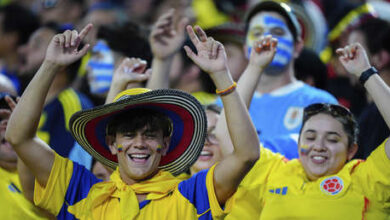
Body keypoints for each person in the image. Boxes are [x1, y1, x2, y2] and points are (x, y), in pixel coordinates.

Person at [6, 23, 260, 220]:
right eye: (128, 134)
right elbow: (19, 137)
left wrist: (221, 76)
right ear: (111, 143)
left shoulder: (193, 194)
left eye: (150, 135)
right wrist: (50, 65)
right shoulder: (81, 191)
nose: (139, 143)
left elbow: (247, 155)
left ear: (166, 143)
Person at [224, 42, 390, 219]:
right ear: (298, 143)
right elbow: (227, 139)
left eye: (332, 139)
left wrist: (366, 72)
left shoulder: (367, 179)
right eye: (310, 137)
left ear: (351, 150)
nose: (318, 146)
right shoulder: (274, 172)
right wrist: (253, 68)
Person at [217, 1, 337, 157]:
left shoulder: (322, 104)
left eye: (278, 32)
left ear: (298, 47)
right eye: (258, 33)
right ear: (246, 49)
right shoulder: (222, 105)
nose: (267, 39)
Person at [17, 23, 94, 168]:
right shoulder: (23, 100)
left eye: (36, 45)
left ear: (61, 59)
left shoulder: (72, 105)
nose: (23, 49)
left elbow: (67, 172)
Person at [0, 80, 53, 219]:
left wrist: (23, 133)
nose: (7, 125)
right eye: (0, 119)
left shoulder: (47, 168)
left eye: (13, 118)